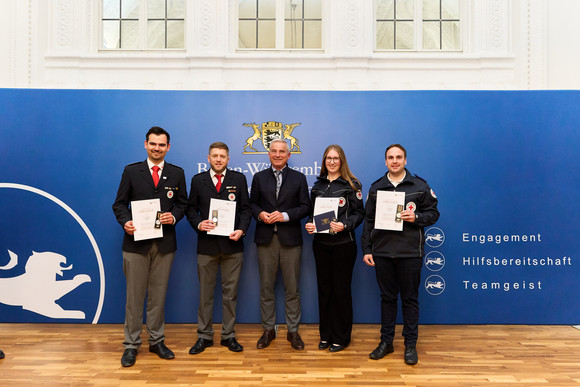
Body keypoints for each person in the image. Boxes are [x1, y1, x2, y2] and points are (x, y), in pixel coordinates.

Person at [112, 126, 188, 367]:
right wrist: (126, 222)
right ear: (145, 144)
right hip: (136, 245)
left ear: (168, 147)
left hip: (164, 244)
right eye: (153, 144)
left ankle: (156, 341)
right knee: (134, 298)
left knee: (158, 296)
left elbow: (183, 204)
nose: (157, 148)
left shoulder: (177, 173)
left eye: (162, 145)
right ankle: (131, 345)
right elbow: (119, 204)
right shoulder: (132, 171)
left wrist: (173, 216)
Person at [361, 144, 439, 366]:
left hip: (410, 252)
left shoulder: (419, 185)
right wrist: (367, 249)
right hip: (383, 252)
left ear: (405, 160)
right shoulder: (376, 188)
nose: (394, 161)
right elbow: (368, 220)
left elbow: (434, 213)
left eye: (398, 157)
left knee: (410, 299)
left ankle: (410, 345)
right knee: (387, 299)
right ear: (385, 161)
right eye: (390, 157)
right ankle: (386, 342)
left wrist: (416, 219)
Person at [186, 142, 252, 355]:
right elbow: (190, 210)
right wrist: (198, 224)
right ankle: (204, 336)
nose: (218, 159)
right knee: (205, 294)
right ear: (208, 158)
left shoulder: (239, 179)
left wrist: (241, 230)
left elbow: (246, 210)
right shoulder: (198, 180)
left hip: (233, 245)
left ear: (228, 159)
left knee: (230, 294)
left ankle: (228, 335)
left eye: (222, 156)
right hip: (206, 246)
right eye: (215, 156)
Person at [249, 139, 310, 350]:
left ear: (288, 155)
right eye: (274, 151)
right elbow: (251, 204)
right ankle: (268, 329)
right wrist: (260, 213)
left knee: (292, 288)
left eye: (282, 151)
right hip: (265, 239)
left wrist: (284, 216)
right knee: (266, 287)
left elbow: (305, 207)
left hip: (290, 240)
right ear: (268, 154)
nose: (277, 154)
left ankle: (293, 332)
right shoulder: (258, 177)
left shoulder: (299, 178)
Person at [305, 145, 364, 353]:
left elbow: (359, 214)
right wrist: (311, 224)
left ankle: (341, 337)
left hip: (343, 245)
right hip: (320, 244)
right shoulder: (317, 185)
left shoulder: (352, 184)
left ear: (342, 161)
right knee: (324, 290)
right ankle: (326, 335)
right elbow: (313, 214)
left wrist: (345, 224)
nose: (331, 162)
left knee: (341, 291)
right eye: (328, 158)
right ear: (324, 161)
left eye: (335, 158)